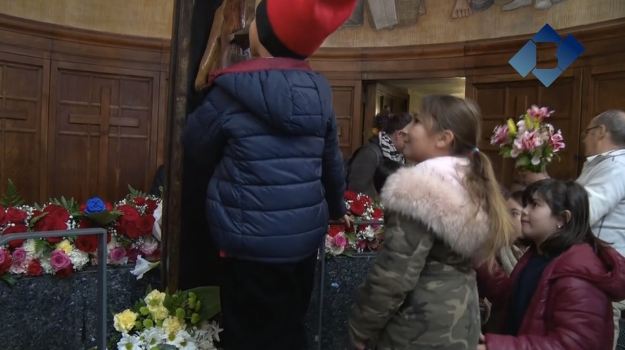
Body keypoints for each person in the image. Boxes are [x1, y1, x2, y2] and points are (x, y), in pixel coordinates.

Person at [182, 0, 356, 349]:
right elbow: (332, 165)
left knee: (245, 333)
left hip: (249, 244)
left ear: (261, 36)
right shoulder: (319, 91)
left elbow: (194, 145)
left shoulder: (229, 92)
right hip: (302, 244)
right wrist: (338, 208)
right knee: (289, 325)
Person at [348, 95, 515, 350]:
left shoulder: (420, 191)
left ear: (443, 138)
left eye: (416, 121)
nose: (405, 130)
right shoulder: (472, 182)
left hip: (418, 328)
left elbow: (393, 277)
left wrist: (361, 328)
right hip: (461, 321)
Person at [477, 179, 625, 350]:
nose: (524, 211)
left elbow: (574, 344)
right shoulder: (541, 254)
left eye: (534, 205)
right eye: (526, 204)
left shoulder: (578, 273)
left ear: (562, 218)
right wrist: (482, 262)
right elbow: (516, 300)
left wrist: (494, 346)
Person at [576, 109, 625, 347]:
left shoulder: (616, 166)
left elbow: (584, 212)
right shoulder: (607, 164)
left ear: (601, 131)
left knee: (595, 338)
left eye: (587, 132)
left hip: (604, 270)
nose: (584, 139)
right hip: (596, 268)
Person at [347, 112, 411, 197]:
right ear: (399, 134)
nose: (412, 143)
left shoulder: (400, 155)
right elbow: (356, 191)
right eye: (410, 138)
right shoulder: (370, 153)